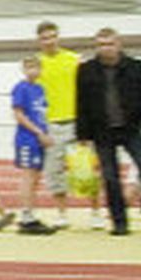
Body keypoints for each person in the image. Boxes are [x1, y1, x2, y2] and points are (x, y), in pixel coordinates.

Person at [75, 28, 141, 237]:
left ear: (119, 45)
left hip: (131, 129)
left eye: (109, 44)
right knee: (110, 177)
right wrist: (83, 135)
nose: (105, 48)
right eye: (101, 44)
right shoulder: (86, 70)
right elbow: (81, 105)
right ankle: (119, 223)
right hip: (102, 132)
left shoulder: (136, 67)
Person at [36, 20, 101, 229]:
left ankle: (96, 212)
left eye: (52, 36)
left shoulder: (73, 59)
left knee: (85, 169)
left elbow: (89, 89)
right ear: (39, 40)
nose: (49, 41)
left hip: (75, 120)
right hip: (51, 123)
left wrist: (88, 120)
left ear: (58, 37)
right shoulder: (36, 64)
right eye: (45, 38)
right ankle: (62, 214)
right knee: (54, 171)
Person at [10, 55, 57, 234]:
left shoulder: (39, 89)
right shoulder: (21, 88)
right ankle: (25, 216)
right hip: (27, 138)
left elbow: (42, 114)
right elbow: (19, 115)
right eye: (29, 67)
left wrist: (46, 134)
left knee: (36, 178)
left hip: (40, 138)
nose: (33, 71)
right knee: (28, 176)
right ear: (23, 69)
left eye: (36, 67)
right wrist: (38, 133)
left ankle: (31, 213)